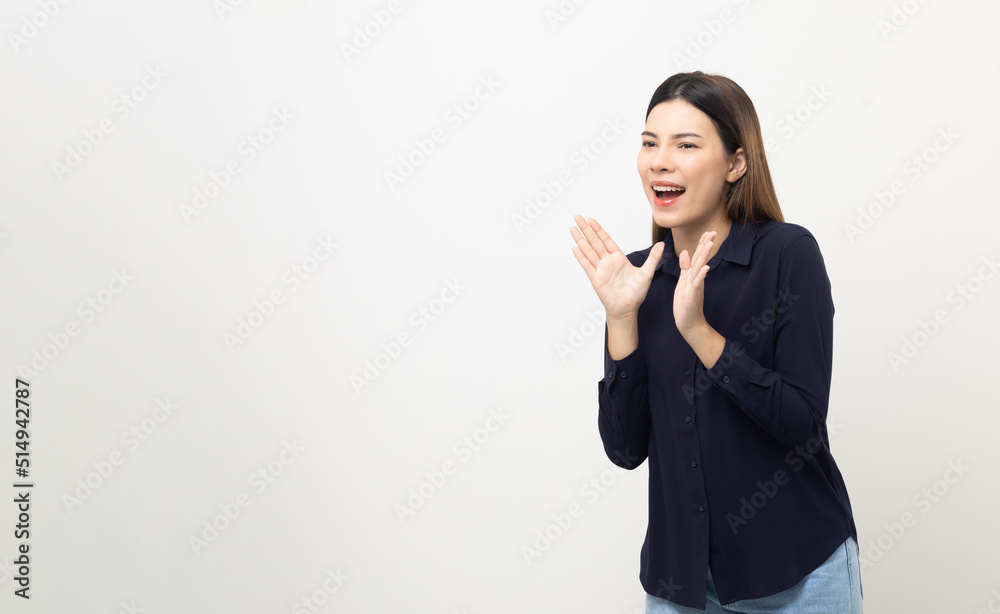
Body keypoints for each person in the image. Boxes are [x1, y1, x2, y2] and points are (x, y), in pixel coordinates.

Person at [569, 71, 862, 613]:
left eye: (686, 145)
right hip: (682, 584)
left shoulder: (787, 254)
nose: (660, 161)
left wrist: (700, 333)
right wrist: (621, 318)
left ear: (735, 163)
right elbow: (625, 449)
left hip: (798, 574)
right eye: (650, 143)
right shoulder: (635, 278)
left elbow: (802, 424)